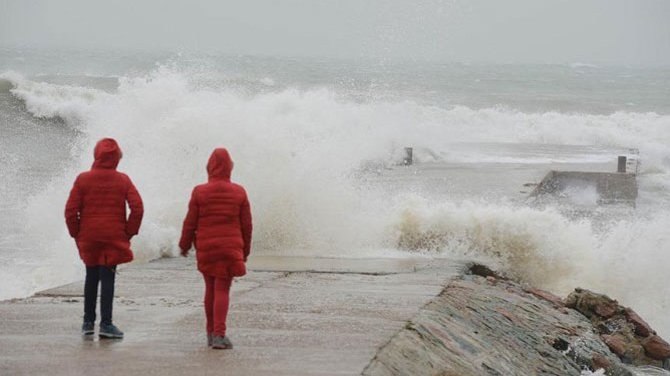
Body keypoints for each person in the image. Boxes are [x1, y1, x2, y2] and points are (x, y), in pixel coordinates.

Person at [65, 138, 143, 339]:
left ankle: (87, 322)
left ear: (96, 155)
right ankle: (106, 324)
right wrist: (129, 232)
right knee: (107, 278)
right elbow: (138, 208)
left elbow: (71, 211)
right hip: (113, 236)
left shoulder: (83, 179)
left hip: (89, 237)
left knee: (91, 276)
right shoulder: (123, 180)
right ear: (117, 158)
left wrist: (76, 233)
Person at [179, 148, 252, 350]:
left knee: (210, 289)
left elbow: (190, 223)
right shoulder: (239, 192)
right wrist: (245, 250)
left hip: (207, 249)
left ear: (209, 167)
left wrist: (184, 245)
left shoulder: (199, 191)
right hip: (230, 249)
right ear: (229, 167)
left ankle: (211, 334)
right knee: (222, 289)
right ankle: (219, 334)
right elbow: (247, 226)